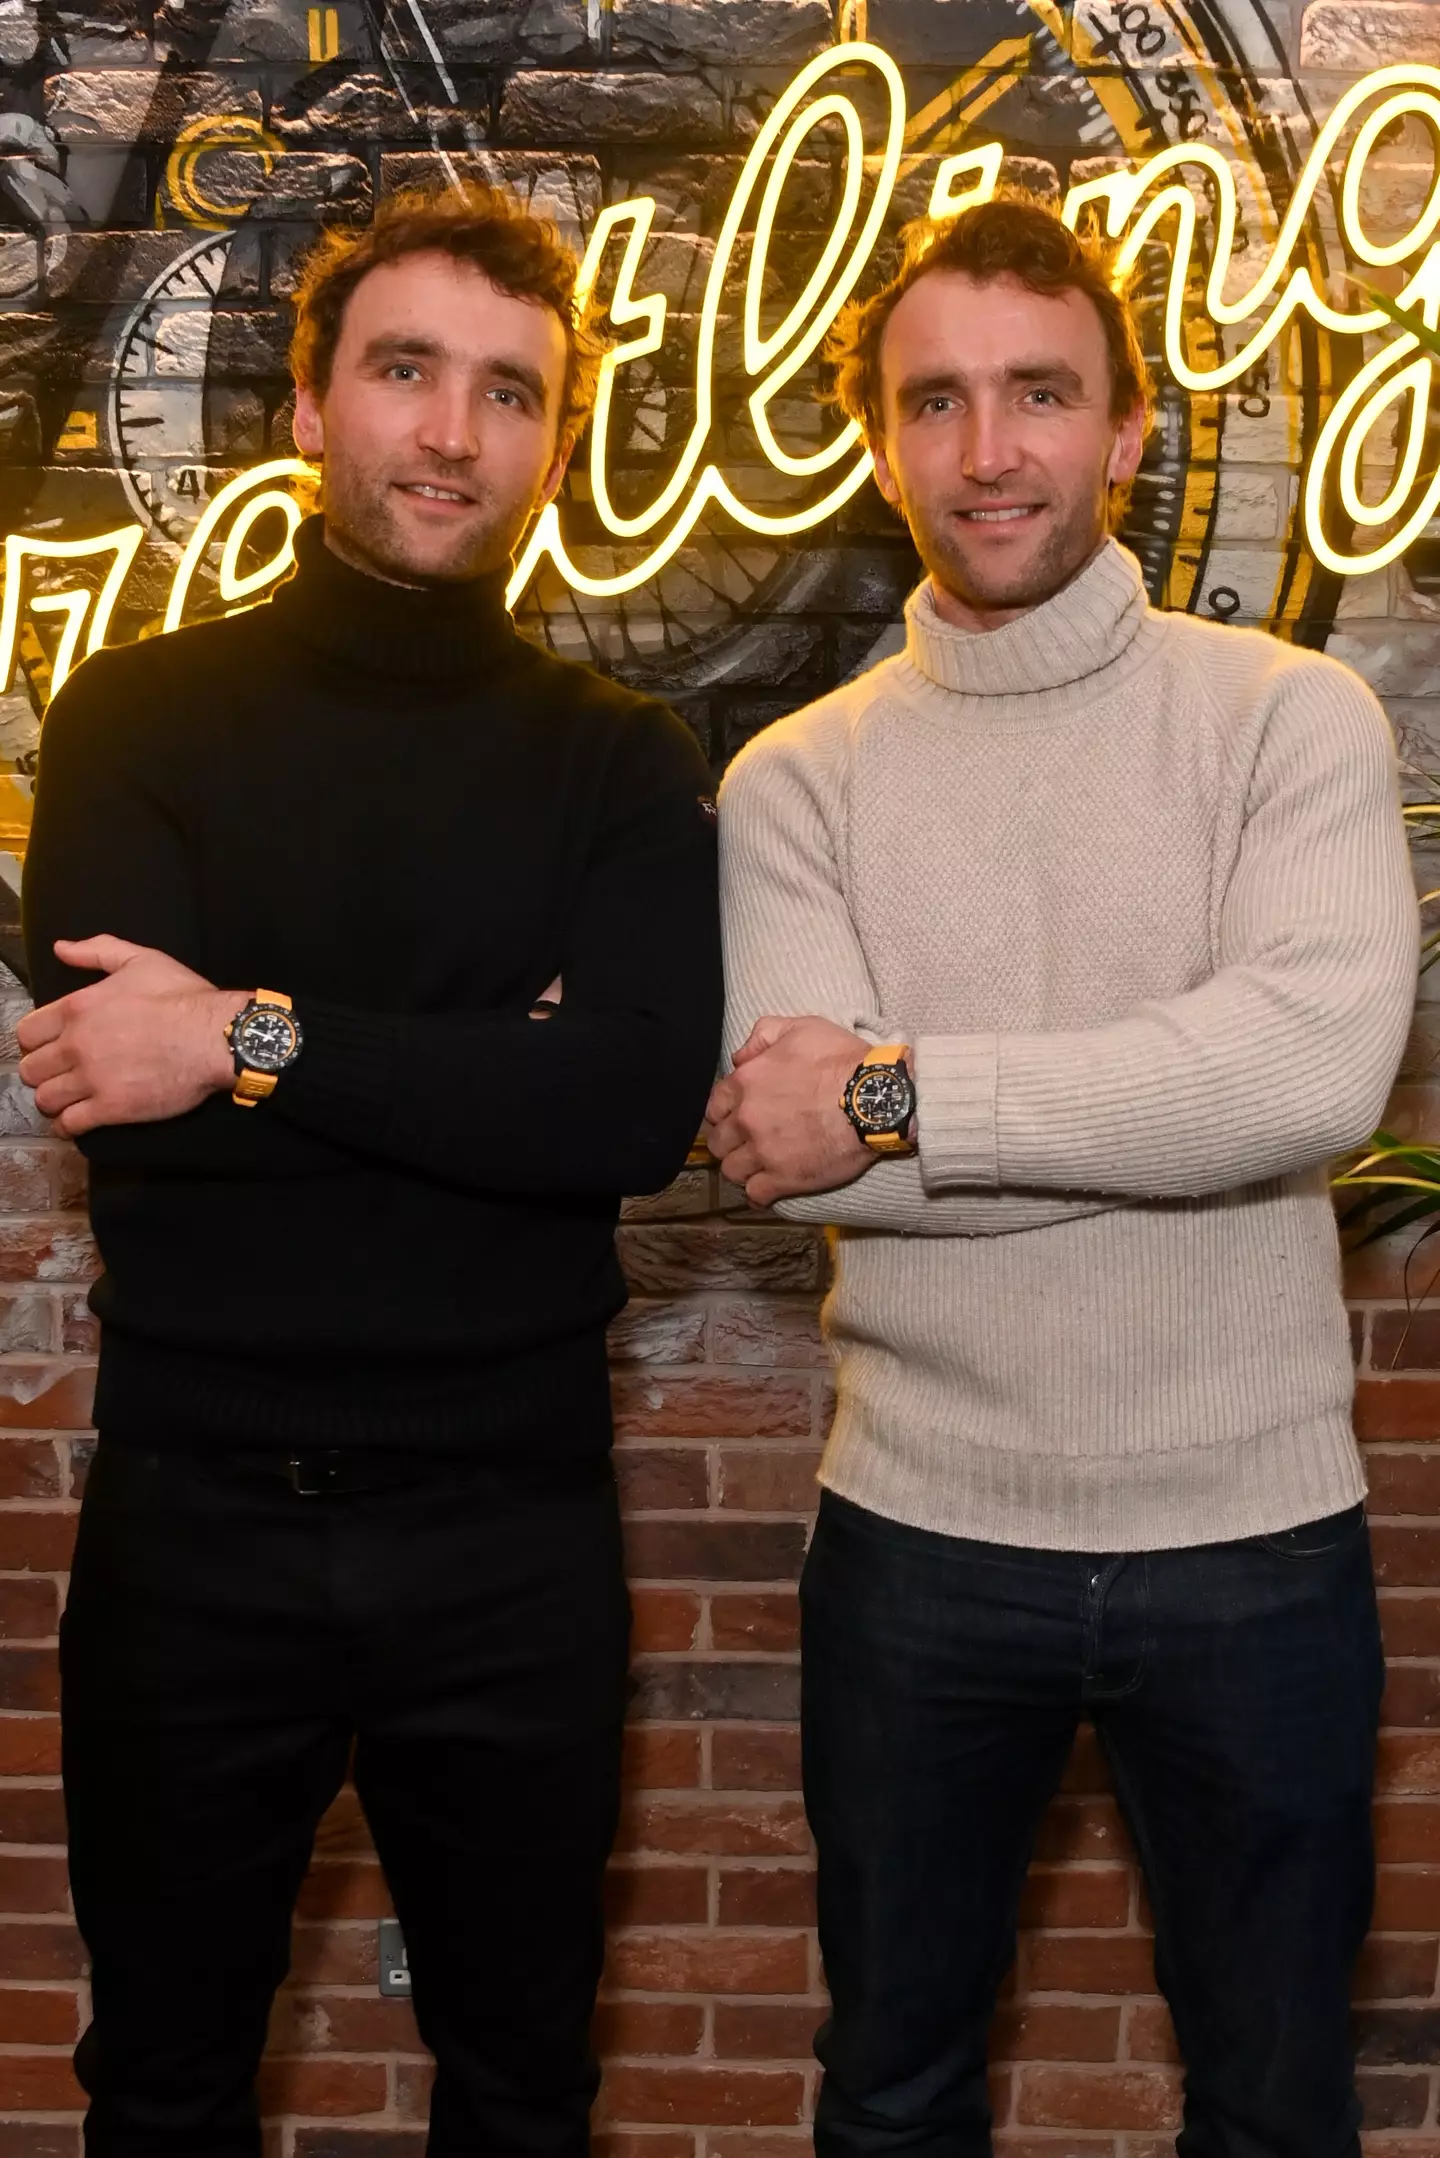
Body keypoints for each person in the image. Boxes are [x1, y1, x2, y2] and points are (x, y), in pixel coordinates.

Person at [706, 195, 1417, 2158]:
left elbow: (1307, 1077)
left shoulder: (1287, 717)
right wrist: (1141, 1103)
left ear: (1124, 434)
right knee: (895, 2089)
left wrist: (908, 1094)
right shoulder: (795, 781)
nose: (990, 447)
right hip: (919, 1544)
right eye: (937, 400)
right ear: (877, 435)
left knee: (1273, 2104)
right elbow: (795, 1154)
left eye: (1040, 395)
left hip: (1255, 1544)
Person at [19, 182, 722, 2158]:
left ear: (553, 444)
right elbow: (114, 1097)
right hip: (195, 1525)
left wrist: (246, 1036)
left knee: (516, 2085)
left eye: (507, 393)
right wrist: (491, 1060)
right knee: (160, 2082)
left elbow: (622, 1115)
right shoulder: (137, 716)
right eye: (405, 370)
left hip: (512, 1532)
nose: (449, 432)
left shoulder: (621, 754)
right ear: (310, 408)